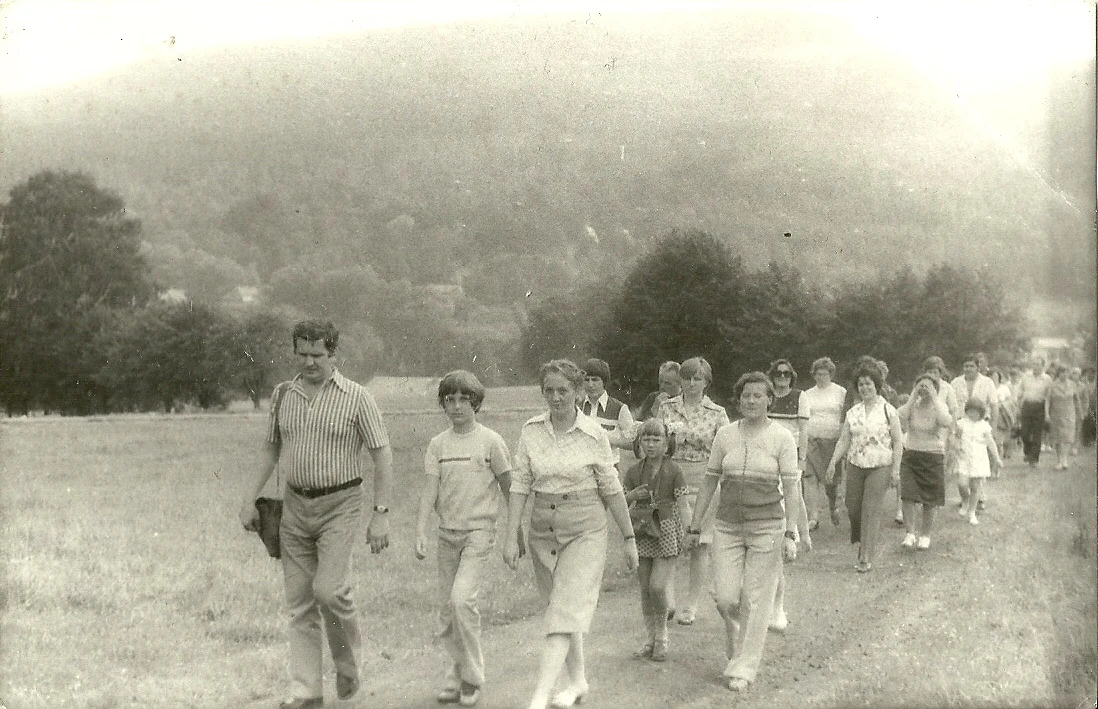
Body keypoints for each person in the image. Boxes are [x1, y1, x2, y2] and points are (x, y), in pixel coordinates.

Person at [238, 319, 393, 709]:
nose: (309, 362)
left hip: (340, 505)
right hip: (294, 508)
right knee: (300, 602)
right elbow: (270, 449)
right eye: (302, 354)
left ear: (333, 354)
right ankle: (306, 692)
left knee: (329, 591)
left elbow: (382, 455)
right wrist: (248, 499)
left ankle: (348, 665)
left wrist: (381, 513)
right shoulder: (282, 395)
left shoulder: (357, 397)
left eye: (317, 355)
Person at [502, 359, 638, 709]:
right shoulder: (531, 430)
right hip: (543, 530)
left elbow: (612, 489)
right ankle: (578, 681)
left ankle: (538, 698)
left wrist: (629, 539)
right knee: (562, 609)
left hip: (585, 529)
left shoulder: (594, 434)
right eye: (549, 390)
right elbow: (520, 484)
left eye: (563, 390)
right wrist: (511, 533)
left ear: (578, 392)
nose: (556, 397)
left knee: (562, 613)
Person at [414, 371, 523, 707]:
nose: (457, 406)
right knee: (448, 609)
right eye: (450, 400)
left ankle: (472, 678)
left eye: (464, 399)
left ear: (476, 403)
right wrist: (420, 530)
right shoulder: (438, 444)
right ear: (443, 404)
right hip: (447, 535)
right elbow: (430, 491)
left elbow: (510, 489)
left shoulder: (491, 441)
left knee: (462, 601)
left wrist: (514, 534)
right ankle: (454, 674)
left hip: (479, 534)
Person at [685, 371, 799, 692]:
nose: (750, 401)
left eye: (757, 396)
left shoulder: (782, 437)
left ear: (769, 400)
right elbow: (710, 481)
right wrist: (695, 525)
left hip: (767, 528)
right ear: (738, 400)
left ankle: (744, 667)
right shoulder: (725, 435)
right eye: (746, 396)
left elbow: (792, 488)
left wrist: (791, 533)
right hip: (727, 527)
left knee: (755, 599)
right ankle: (737, 637)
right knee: (725, 598)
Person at [657, 356, 730, 626]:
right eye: (687, 378)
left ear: (706, 382)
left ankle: (691, 604)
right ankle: (667, 599)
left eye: (697, 378)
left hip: (704, 480)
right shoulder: (666, 408)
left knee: (699, 543)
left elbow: (726, 450)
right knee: (668, 539)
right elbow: (655, 440)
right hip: (670, 477)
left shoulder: (717, 413)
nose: (691, 383)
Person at [825, 361, 902, 573]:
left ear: (877, 385)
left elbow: (898, 442)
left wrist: (895, 470)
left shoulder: (888, 411)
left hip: (880, 465)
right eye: (861, 384)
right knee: (853, 505)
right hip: (855, 464)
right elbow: (844, 440)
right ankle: (861, 536)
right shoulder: (853, 412)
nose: (865, 388)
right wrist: (832, 462)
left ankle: (865, 556)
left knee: (870, 509)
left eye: (868, 383)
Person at [623, 418, 689, 663]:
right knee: (645, 588)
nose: (650, 444)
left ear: (666, 442)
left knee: (657, 586)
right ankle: (650, 639)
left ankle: (662, 636)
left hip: (667, 531)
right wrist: (632, 495)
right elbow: (620, 504)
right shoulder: (633, 472)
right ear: (639, 442)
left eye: (656, 439)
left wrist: (690, 532)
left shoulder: (674, 471)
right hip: (642, 530)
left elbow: (683, 503)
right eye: (646, 439)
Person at [764, 358, 812, 631]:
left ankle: (800, 533)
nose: (782, 377)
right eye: (778, 374)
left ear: (791, 376)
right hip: (766, 455)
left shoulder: (799, 397)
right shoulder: (767, 397)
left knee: (794, 494)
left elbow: (803, 431)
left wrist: (802, 458)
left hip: (790, 454)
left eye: (786, 374)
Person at [897, 374, 953, 550]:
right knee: (908, 495)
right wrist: (913, 396)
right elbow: (901, 415)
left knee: (930, 499)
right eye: (920, 386)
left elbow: (946, 421)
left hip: (932, 455)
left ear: (935, 389)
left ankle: (925, 535)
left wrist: (934, 397)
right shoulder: (912, 405)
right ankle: (910, 533)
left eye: (927, 386)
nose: (924, 389)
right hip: (911, 454)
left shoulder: (940, 406)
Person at [802, 357, 847, 530]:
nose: (821, 377)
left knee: (831, 482)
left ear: (831, 374)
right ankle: (813, 517)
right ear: (814, 375)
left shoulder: (840, 392)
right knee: (810, 478)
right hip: (812, 439)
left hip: (833, 441)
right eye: (818, 374)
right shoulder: (807, 394)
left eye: (825, 374)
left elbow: (845, 416)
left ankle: (833, 506)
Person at [950, 354, 999, 510]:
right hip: (962, 425)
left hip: (980, 424)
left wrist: (994, 425)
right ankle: (965, 497)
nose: (968, 369)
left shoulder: (987, 382)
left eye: (971, 366)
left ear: (978, 367)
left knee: (978, 460)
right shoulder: (956, 383)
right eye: (966, 366)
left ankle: (979, 496)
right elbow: (951, 406)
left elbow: (994, 404)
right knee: (963, 460)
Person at [579, 358, 636, 467]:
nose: (590, 385)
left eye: (595, 380)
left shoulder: (619, 408)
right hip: (582, 467)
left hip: (609, 466)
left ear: (604, 382)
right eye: (587, 380)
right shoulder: (577, 407)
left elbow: (633, 442)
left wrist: (609, 440)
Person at [955, 399, 1003, 525]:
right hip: (964, 458)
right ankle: (965, 500)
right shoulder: (961, 424)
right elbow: (956, 438)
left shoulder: (984, 426)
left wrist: (997, 458)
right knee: (962, 484)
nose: (972, 414)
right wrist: (956, 447)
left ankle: (972, 512)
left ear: (981, 413)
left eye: (975, 412)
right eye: (970, 411)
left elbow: (990, 443)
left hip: (978, 459)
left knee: (975, 487)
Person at [1015, 356, 1052, 467]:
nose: (1035, 366)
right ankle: (1028, 452)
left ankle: (1034, 459)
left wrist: (1047, 413)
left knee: (1037, 434)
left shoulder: (1047, 379)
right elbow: (1019, 392)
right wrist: (1018, 407)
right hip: (1027, 406)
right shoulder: (1026, 376)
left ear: (1043, 366)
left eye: (1038, 364)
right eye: (1034, 364)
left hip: (1039, 407)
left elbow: (1048, 398)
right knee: (1025, 433)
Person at [1046, 364, 1079, 470]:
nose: (1064, 374)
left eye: (1066, 372)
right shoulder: (1052, 385)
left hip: (1069, 413)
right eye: (1062, 372)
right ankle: (1059, 460)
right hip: (1056, 414)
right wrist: (1046, 413)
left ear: (1068, 373)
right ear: (1058, 373)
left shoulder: (1072, 384)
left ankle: (1065, 459)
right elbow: (1047, 400)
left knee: (1068, 437)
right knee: (1058, 438)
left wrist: (1080, 412)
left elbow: (1076, 399)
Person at [989, 368, 1017, 465]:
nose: (994, 378)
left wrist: (1002, 404)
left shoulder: (1004, 388)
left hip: (1002, 415)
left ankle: (999, 458)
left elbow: (1010, 401)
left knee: (999, 440)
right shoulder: (987, 387)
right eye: (992, 376)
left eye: (996, 376)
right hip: (990, 414)